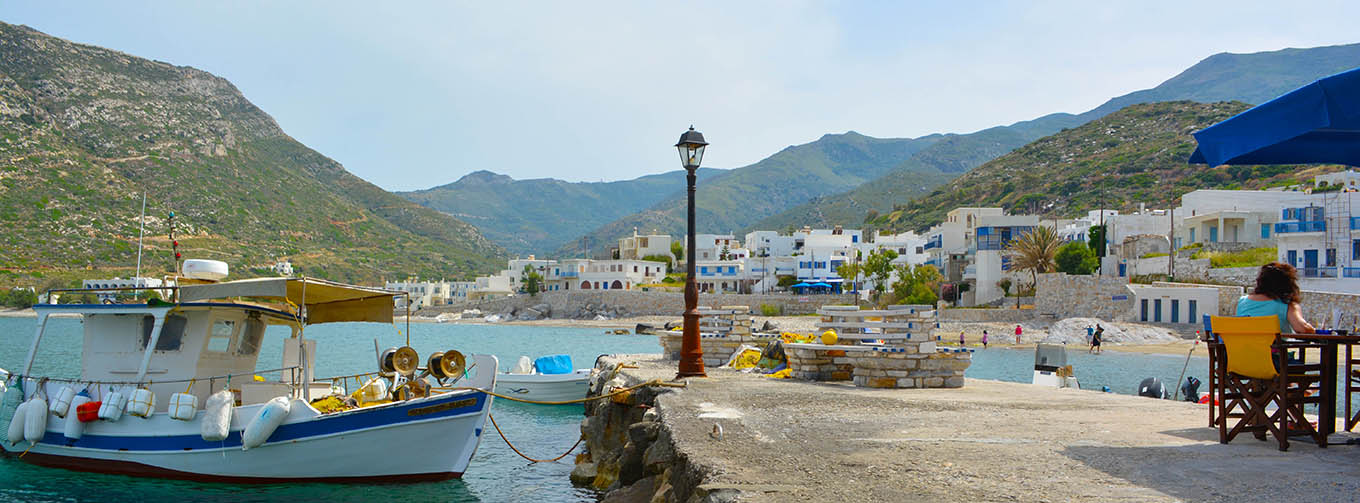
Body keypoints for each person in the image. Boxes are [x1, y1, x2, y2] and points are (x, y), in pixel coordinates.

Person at [1235, 262, 1315, 335]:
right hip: (1273, 350)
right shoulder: (1287, 305)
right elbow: (1301, 328)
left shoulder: (1242, 301)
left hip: (1242, 350)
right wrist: (1313, 330)